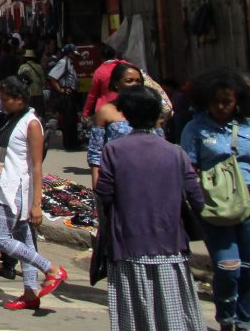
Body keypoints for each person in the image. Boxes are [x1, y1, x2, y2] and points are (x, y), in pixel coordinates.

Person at [101, 86, 206, 331]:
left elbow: (104, 195)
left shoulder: (113, 150)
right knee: (174, 315)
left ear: (125, 114)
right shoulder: (176, 153)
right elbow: (196, 198)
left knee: (135, 316)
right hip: (170, 245)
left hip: (128, 245)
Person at [0, 76, 67, 310]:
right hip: (6, 186)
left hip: (16, 190)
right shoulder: (12, 119)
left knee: (0, 238)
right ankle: (30, 292)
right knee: (25, 241)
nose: (1, 103)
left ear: (19, 99)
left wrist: (36, 203)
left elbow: (36, 165)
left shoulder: (31, 123)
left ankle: (51, 269)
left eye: (5, 99)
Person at [181, 68, 250, 331]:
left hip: (248, 209)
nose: (221, 107)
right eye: (215, 101)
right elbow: (188, 169)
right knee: (228, 267)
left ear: (237, 101)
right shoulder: (195, 129)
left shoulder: (247, 127)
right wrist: (196, 203)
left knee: (247, 268)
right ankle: (225, 317)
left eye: (227, 101)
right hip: (215, 209)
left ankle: (243, 320)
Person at [87, 65, 146, 187]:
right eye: (129, 81)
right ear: (116, 84)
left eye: (138, 81)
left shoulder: (150, 110)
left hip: (147, 173)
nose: (135, 84)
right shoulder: (106, 111)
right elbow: (96, 153)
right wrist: (97, 188)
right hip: (118, 177)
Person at [48, 44, 81, 150]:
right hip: (67, 94)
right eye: (73, 53)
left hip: (72, 94)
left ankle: (73, 142)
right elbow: (52, 77)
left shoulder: (70, 63)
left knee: (72, 120)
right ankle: (69, 144)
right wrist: (60, 89)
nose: (75, 56)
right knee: (68, 120)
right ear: (69, 53)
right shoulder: (63, 62)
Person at [17, 49, 45, 120]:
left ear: (26, 58)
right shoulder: (39, 67)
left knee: (28, 113)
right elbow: (43, 80)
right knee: (39, 113)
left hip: (28, 93)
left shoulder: (22, 67)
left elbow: (19, 80)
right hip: (38, 93)